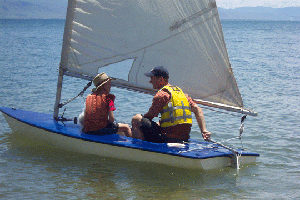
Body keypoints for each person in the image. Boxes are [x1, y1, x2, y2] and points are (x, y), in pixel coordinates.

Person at [131, 66, 211, 143]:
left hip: (167, 138)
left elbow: (149, 117)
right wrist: (204, 130)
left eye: (152, 78)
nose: (150, 81)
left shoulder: (162, 95)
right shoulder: (182, 94)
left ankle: (140, 148)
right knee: (158, 123)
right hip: (184, 138)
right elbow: (197, 109)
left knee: (137, 119)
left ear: (160, 79)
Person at [82, 72, 132, 137]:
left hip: (87, 130)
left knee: (115, 128)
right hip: (99, 130)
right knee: (126, 127)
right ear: (103, 86)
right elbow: (112, 119)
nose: (110, 86)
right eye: (109, 84)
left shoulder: (89, 96)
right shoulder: (109, 98)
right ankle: (132, 146)